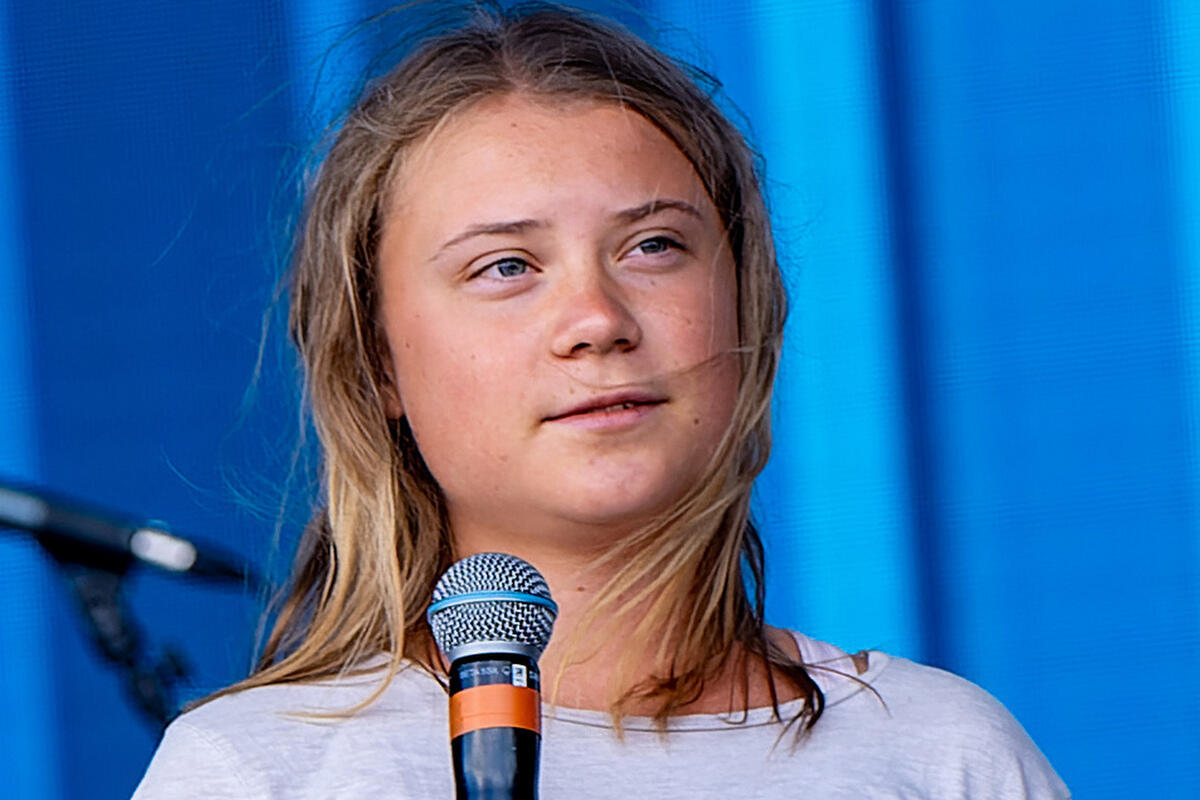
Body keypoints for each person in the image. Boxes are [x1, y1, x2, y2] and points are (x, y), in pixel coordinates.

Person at [134, 3, 1069, 797]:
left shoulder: (943, 754)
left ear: (746, 306)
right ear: (378, 363)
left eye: (653, 246)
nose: (596, 319)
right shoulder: (259, 772)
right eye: (506, 266)